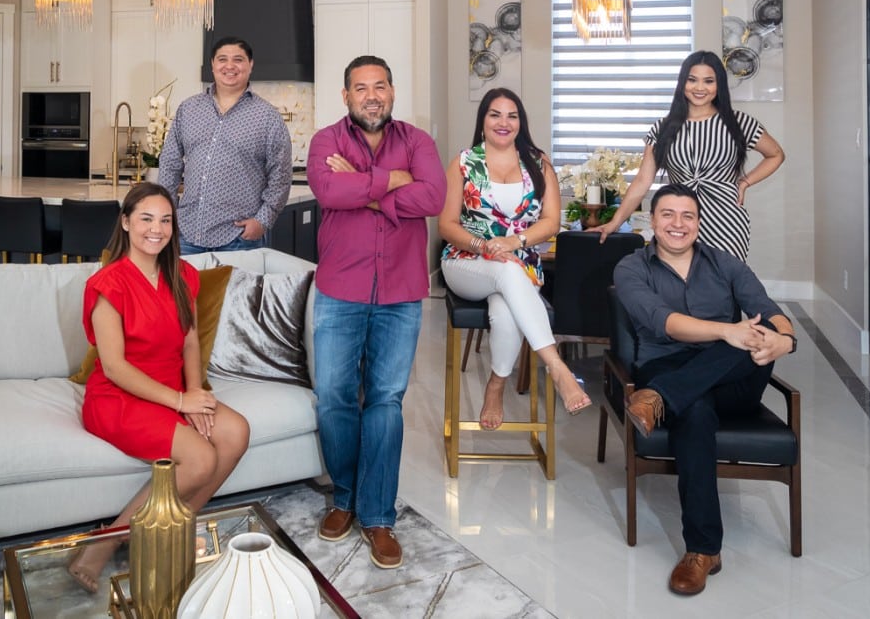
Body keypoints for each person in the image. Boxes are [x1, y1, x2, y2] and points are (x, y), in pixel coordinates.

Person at [614, 183, 797, 596]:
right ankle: (703, 551)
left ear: (699, 222)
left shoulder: (725, 263)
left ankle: (660, 397)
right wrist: (727, 331)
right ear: (651, 219)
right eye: (668, 214)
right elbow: (662, 321)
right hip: (668, 363)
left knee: (755, 336)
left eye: (688, 216)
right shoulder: (631, 268)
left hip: (732, 378)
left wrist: (785, 340)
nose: (678, 224)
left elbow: (769, 312)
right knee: (694, 409)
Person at [67, 182, 250, 593]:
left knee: (236, 432)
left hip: (171, 388)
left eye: (166, 220)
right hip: (120, 397)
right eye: (146, 218)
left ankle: (165, 530)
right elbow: (114, 368)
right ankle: (103, 543)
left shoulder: (182, 274)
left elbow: (190, 340)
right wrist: (181, 400)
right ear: (126, 222)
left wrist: (193, 396)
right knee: (200, 460)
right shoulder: (108, 284)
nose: (157, 229)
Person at [306, 55, 446, 569]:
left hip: (400, 293)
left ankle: (378, 515)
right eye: (361, 88)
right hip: (340, 289)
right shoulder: (325, 142)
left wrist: (363, 187)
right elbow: (328, 190)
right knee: (334, 398)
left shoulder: (418, 142)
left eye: (380, 86)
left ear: (392, 91)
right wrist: (393, 181)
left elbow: (433, 197)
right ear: (346, 96)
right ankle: (344, 498)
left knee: (386, 400)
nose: (372, 96)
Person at [438, 88, 592, 430]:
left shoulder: (539, 163)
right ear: (483, 120)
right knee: (507, 270)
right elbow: (446, 225)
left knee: (506, 314)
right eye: (495, 114)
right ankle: (557, 366)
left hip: (520, 264)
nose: (503, 122)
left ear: (521, 122)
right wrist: (483, 246)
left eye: (512, 115)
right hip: (466, 261)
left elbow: (551, 222)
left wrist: (514, 241)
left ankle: (496, 385)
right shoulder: (464, 162)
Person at [592, 50, 785, 261]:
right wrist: (615, 222)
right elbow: (642, 181)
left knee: (723, 279)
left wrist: (745, 182)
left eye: (708, 81)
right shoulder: (663, 128)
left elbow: (776, 154)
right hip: (677, 225)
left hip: (726, 224)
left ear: (719, 85)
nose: (700, 88)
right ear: (682, 83)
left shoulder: (739, 122)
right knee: (674, 279)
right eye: (692, 80)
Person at [159, 36, 292, 255]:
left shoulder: (267, 116)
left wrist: (263, 220)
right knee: (182, 281)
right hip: (187, 233)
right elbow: (169, 163)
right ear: (212, 65)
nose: (229, 66)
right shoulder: (189, 109)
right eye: (222, 59)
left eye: (238, 60)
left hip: (239, 237)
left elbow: (281, 174)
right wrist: (166, 213)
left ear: (250, 65)